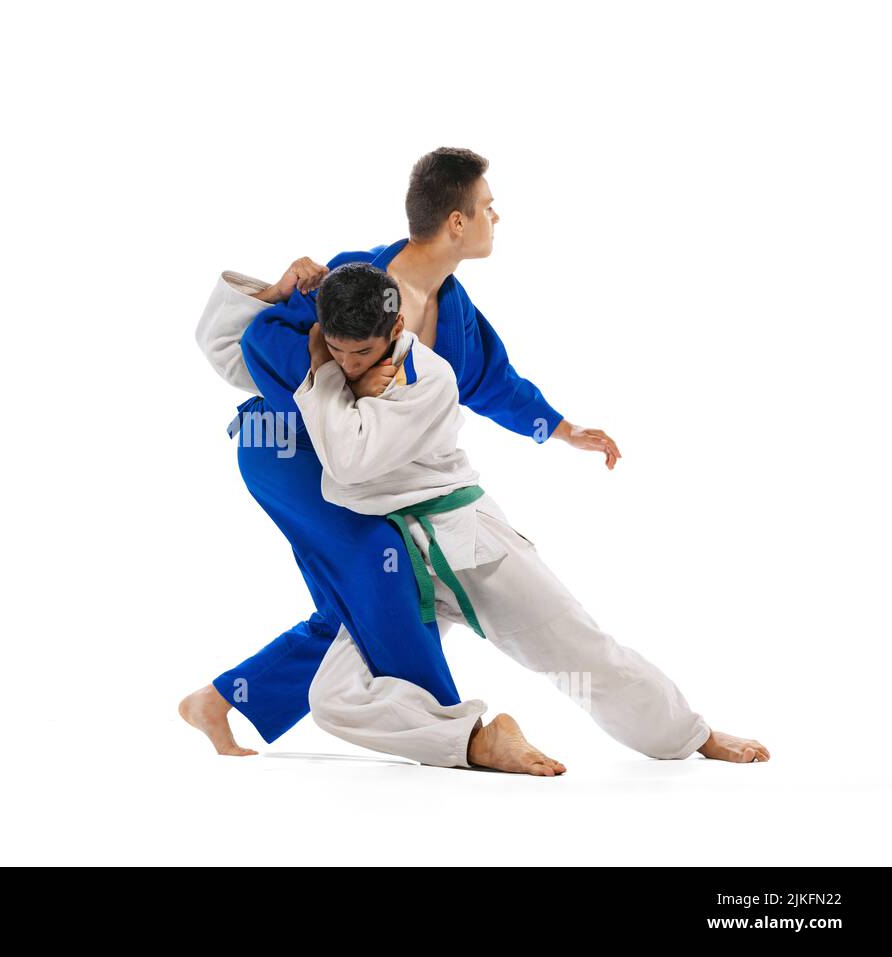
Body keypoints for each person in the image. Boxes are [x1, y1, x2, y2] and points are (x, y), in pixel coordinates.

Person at [180, 148, 769, 769]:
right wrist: (282, 311)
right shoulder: (353, 283)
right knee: (372, 585)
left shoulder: (448, 320)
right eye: (487, 206)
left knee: (378, 616)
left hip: (422, 502)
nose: (497, 216)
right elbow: (248, 348)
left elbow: (493, 381)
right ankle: (470, 738)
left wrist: (562, 429)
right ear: (456, 221)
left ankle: (221, 699)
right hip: (297, 461)